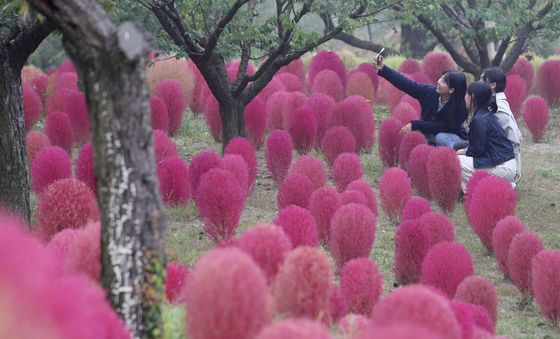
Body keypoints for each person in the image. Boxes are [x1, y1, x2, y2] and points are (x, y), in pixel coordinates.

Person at [374, 55, 468, 148]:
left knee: (441, 137)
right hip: (431, 135)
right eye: (441, 78)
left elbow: (440, 127)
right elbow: (407, 84)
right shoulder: (430, 92)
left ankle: (457, 158)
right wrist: (383, 69)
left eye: (443, 82)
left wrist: (416, 124)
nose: (439, 82)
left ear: (451, 90)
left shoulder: (460, 108)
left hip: (453, 138)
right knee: (421, 139)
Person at [456, 82, 516, 192]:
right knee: (460, 148)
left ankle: (476, 190)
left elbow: (478, 150)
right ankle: (501, 185)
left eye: (466, 94)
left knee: (457, 161)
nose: (464, 97)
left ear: (472, 97)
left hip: (503, 167)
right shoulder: (485, 114)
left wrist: (464, 152)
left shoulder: (480, 119)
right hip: (504, 163)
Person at [480, 67, 523, 184]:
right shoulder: (495, 103)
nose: (478, 83)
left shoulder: (497, 107)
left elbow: (514, 140)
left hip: (504, 162)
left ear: (493, 85)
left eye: (482, 80)